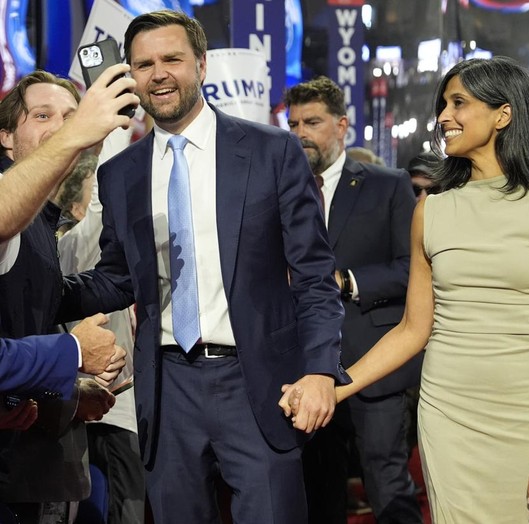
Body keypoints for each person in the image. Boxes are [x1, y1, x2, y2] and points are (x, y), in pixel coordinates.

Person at [57, 10, 347, 524]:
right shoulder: (120, 172)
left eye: (172, 59)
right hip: (167, 390)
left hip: (258, 384)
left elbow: (314, 278)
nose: (158, 73)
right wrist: (42, 292)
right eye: (143, 64)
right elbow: (118, 278)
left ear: (202, 64)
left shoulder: (271, 150)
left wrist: (321, 370)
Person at [281, 56, 529, 523]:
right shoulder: (431, 209)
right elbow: (412, 329)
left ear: (503, 114)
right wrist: (332, 385)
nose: (443, 117)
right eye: (443, 104)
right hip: (447, 411)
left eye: (459, 103)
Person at [284, 76, 423, 524]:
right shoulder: (278, 191)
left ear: (342, 125)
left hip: (375, 362)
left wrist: (347, 281)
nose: (301, 132)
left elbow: (411, 269)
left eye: (313, 122)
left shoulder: (388, 184)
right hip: (306, 366)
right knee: (319, 490)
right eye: (293, 124)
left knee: (387, 483)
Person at [0, 69, 133, 523]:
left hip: (27, 456)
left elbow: (48, 301)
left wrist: (69, 391)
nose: (61, 127)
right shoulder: (7, 201)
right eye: (43, 115)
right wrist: (74, 351)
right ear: (5, 135)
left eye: (72, 117)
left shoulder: (38, 217)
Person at [57, 142, 145, 524]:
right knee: (123, 512)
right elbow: (100, 209)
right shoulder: (73, 245)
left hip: (100, 404)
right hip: (104, 406)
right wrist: (110, 122)